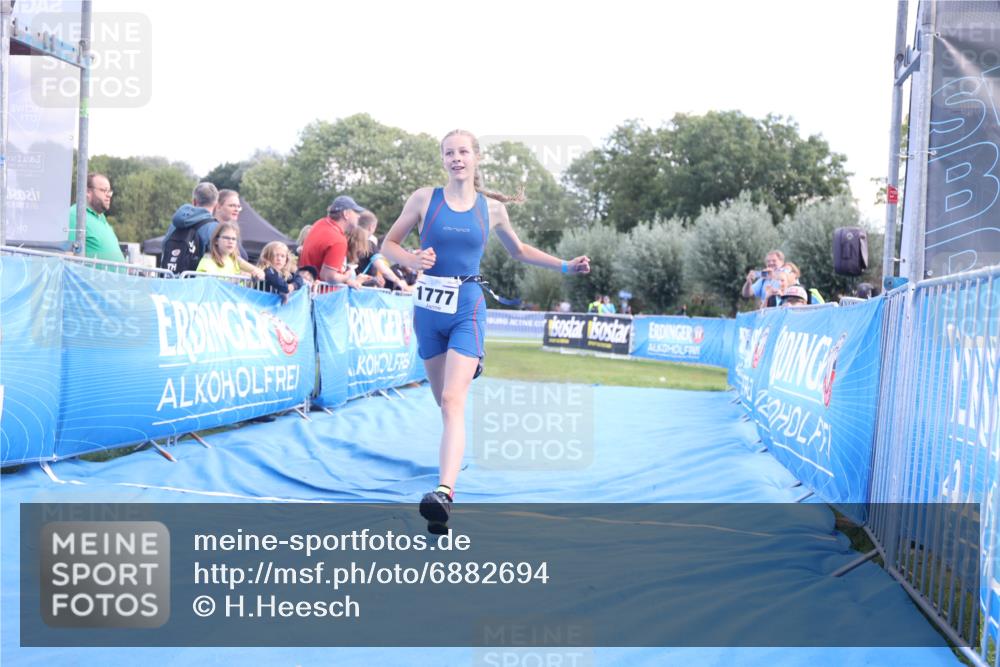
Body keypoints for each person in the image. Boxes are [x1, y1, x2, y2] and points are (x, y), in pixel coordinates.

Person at [380, 129, 590, 531]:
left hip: (468, 305)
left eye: (463, 151)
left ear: (476, 157)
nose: (456, 158)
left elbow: (519, 251)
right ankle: (470, 368)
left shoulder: (491, 209)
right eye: (449, 153)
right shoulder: (424, 199)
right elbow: (387, 245)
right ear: (443, 159)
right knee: (442, 401)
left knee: (453, 400)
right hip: (428, 310)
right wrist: (410, 258)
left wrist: (566, 266)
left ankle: (444, 494)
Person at [299, 196, 365, 285]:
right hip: (323, 292)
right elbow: (328, 277)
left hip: (307, 288)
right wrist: (347, 276)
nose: (358, 216)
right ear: (346, 214)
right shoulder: (338, 240)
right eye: (355, 212)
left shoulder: (320, 223)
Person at [67, 173, 126, 263]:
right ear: (88, 192)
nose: (109, 195)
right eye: (104, 190)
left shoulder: (101, 217)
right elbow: (68, 255)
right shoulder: (74, 215)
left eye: (109, 191)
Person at [163, 182, 221, 272]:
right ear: (216, 205)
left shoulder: (174, 224)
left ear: (194, 201)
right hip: (197, 279)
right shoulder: (215, 227)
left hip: (168, 277)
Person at [196, 221, 264, 279]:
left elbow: (259, 272)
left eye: (234, 239)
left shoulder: (234, 260)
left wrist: (254, 275)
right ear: (216, 240)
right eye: (226, 238)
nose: (231, 241)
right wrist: (237, 279)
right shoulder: (207, 261)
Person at [214, 189, 250, 260]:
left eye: (238, 206)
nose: (236, 209)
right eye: (232, 205)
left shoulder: (233, 231)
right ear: (218, 207)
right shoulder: (212, 229)